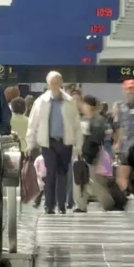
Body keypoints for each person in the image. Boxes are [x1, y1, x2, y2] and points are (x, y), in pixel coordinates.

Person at [26, 71, 83, 215]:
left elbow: (76, 125)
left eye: (57, 83)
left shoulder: (69, 102)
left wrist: (79, 145)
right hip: (48, 142)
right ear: (48, 84)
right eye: (52, 83)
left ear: (61, 83)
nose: (55, 86)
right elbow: (33, 123)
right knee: (50, 173)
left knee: (62, 174)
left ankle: (61, 205)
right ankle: (49, 205)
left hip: (65, 142)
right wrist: (29, 144)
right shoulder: (41, 102)